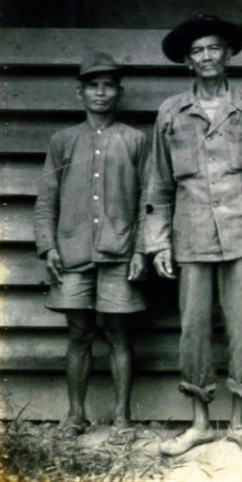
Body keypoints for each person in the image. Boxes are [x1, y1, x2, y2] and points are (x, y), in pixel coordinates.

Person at [146, 14, 242, 458]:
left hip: (241, 234)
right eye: (198, 50)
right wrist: (158, 241)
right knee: (193, 329)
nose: (207, 57)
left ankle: (239, 423)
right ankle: (200, 423)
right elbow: (159, 183)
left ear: (228, 53)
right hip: (192, 236)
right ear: (187, 60)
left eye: (214, 48)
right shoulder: (171, 113)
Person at [33, 51, 148, 445]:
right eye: (93, 86)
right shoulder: (63, 141)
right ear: (80, 92)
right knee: (78, 334)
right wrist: (48, 247)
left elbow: (149, 199)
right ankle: (75, 415)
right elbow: (47, 198)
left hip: (120, 252)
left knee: (118, 333)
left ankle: (122, 419)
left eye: (108, 86)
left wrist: (140, 250)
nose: (101, 93)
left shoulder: (134, 140)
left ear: (119, 92)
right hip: (72, 254)